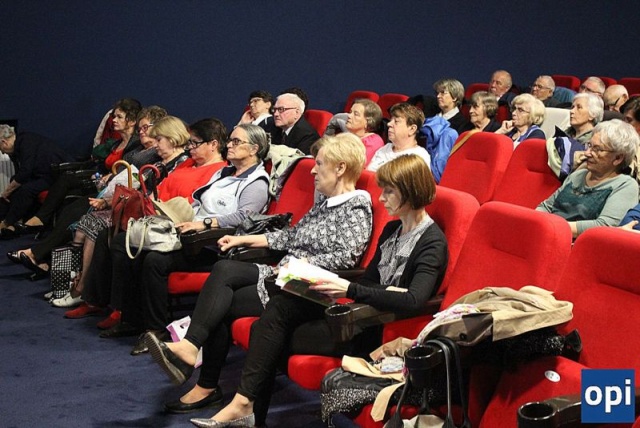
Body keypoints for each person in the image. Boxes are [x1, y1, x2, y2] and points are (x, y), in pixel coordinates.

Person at [186, 154, 448, 427]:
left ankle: (247, 412)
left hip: (371, 327)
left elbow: (414, 299)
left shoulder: (432, 242)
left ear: (410, 191)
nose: (381, 198)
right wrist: (352, 288)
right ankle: (245, 410)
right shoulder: (394, 229)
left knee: (266, 333)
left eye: (389, 191)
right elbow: (370, 281)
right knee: (280, 306)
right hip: (355, 311)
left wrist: (350, 288)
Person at [144, 133, 373, 415]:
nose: (313, 170)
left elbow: (346, 258)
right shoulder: (326, 201)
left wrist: (298, 265)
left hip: (306, 287)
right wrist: (243, 239)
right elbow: (292, 236)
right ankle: (191, 349)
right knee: (224, 268)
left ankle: (204, 382)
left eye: (320, 164)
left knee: (222, 304)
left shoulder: (356, 205)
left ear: (340, 168)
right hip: (284, 274)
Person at [91, 124, 271, 353]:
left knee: (155, 260)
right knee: (125, 243)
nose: (230, 145)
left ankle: (155, 329)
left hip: (215, 244)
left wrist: (205, 223)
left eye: (237, 142)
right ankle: (130, 318)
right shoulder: (224, 173)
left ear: (254, 149)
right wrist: (174, 214)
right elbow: (197, 203)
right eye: (231, 140)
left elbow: (245, 217)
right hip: (190, 233)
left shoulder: (256, 181)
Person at [52, 117, 227, 310]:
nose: (190, 147)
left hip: (174, 222)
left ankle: (117, 307)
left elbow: (190, 204)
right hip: (155, 213)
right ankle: (96, 299)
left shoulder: (218, 171)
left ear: (213, 144)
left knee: (119, 239)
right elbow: (157, 188)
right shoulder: (187, 164)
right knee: (104, 233)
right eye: (190, 142)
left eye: (195, 143)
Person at [7, 106, 167, 277]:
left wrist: (109, 188)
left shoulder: (155, 153)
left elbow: (139, 179)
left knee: (76, 212)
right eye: (140, 128)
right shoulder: (137, 147)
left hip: (124, 199)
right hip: (110, 190)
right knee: (70, 208)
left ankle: (39, 255)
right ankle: (44, 259)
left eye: (145, 127)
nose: (141, 131)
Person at [20, 98, 142, 231]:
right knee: (67, 192)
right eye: (114, 116)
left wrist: (108, 176)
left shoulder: (135, 145)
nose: (113, 120)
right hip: (99, 181)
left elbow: (127, 173)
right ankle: (44, 224)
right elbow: (101, 165)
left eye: (119, 117)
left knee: (68, 184)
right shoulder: (116, 143)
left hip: (111, 189)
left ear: (132, 121)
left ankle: (41, 219)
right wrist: (98, 174)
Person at [537, 119, 639, 238]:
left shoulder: (625, 186)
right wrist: (536, 222)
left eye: (597, 149)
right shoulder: (578, 175)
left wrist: (552, 226)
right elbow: (545, 207)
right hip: (548, 234)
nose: (587, 153)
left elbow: (604, 226)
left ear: (618, 158)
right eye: (589, 145)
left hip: (578, 243)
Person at [0, 125, 71, 238]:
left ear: (4, 142)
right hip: (43, 174)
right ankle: (11, 222)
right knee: (15, 182)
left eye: (1, 149)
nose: (3, 153)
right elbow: (20, 175)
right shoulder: (18, 146)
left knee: (25, 190)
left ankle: (7, 222)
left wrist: (6, 192)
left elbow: (25, 172)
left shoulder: (26, 142)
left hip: (55, 175)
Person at [367, 103, 430, 171]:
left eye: (396, 121)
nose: (389, 124)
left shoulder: (419, 156)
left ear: (412, 129)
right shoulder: (384, 149)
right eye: (391, 120)